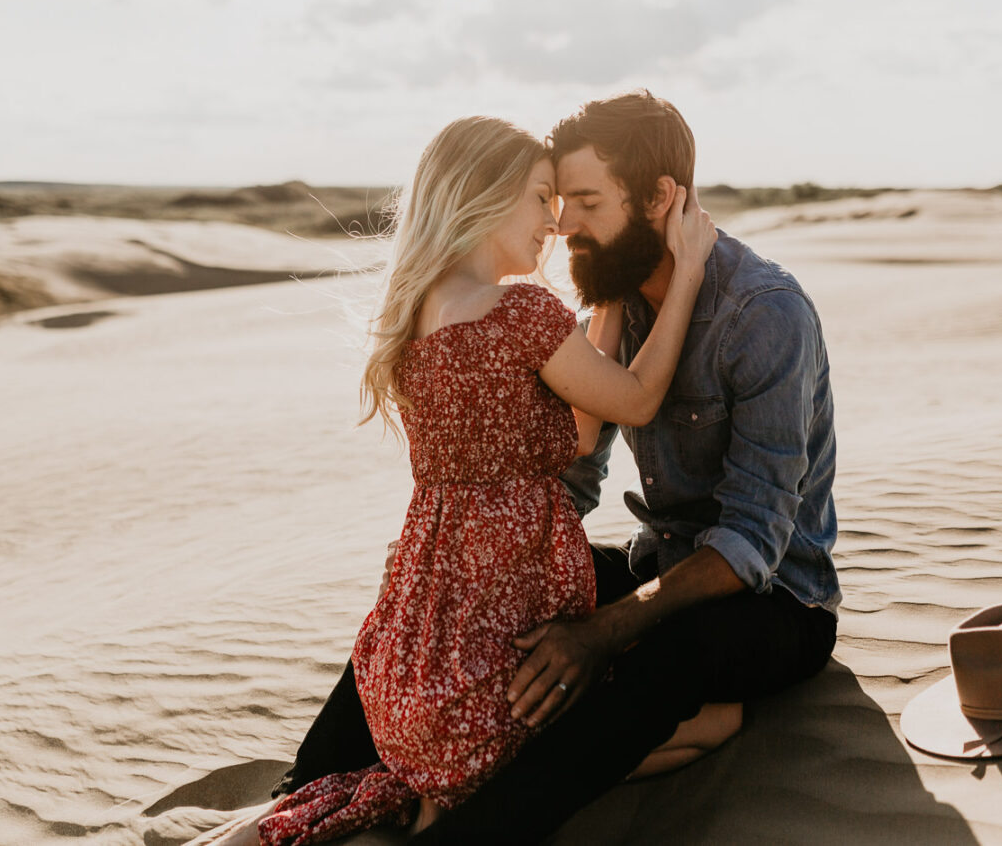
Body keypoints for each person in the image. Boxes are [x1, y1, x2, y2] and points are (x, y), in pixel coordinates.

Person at [267, 91, 843, 845]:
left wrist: (602, 630)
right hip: (659, 564)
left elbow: (753, 544)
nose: (563, 222)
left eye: (588, 201)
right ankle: (294, 799)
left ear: (661, 199)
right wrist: (469, 581)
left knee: (661, 662)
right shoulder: (615, 299)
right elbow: (572, 468)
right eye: (557, 200)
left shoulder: (765, 315)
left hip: (776, 604)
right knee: (415, 620)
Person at [186, 115, 718, 846]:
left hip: (416, 665)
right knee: (719, 721)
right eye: (539, 197)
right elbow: (634, 402)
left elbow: (581, 428)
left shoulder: (417, 316)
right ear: (486, 195)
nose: (555, 222)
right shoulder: (523, 313)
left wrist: (611, 299)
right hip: (498, 663)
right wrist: (686, 273)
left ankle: (407, 797)